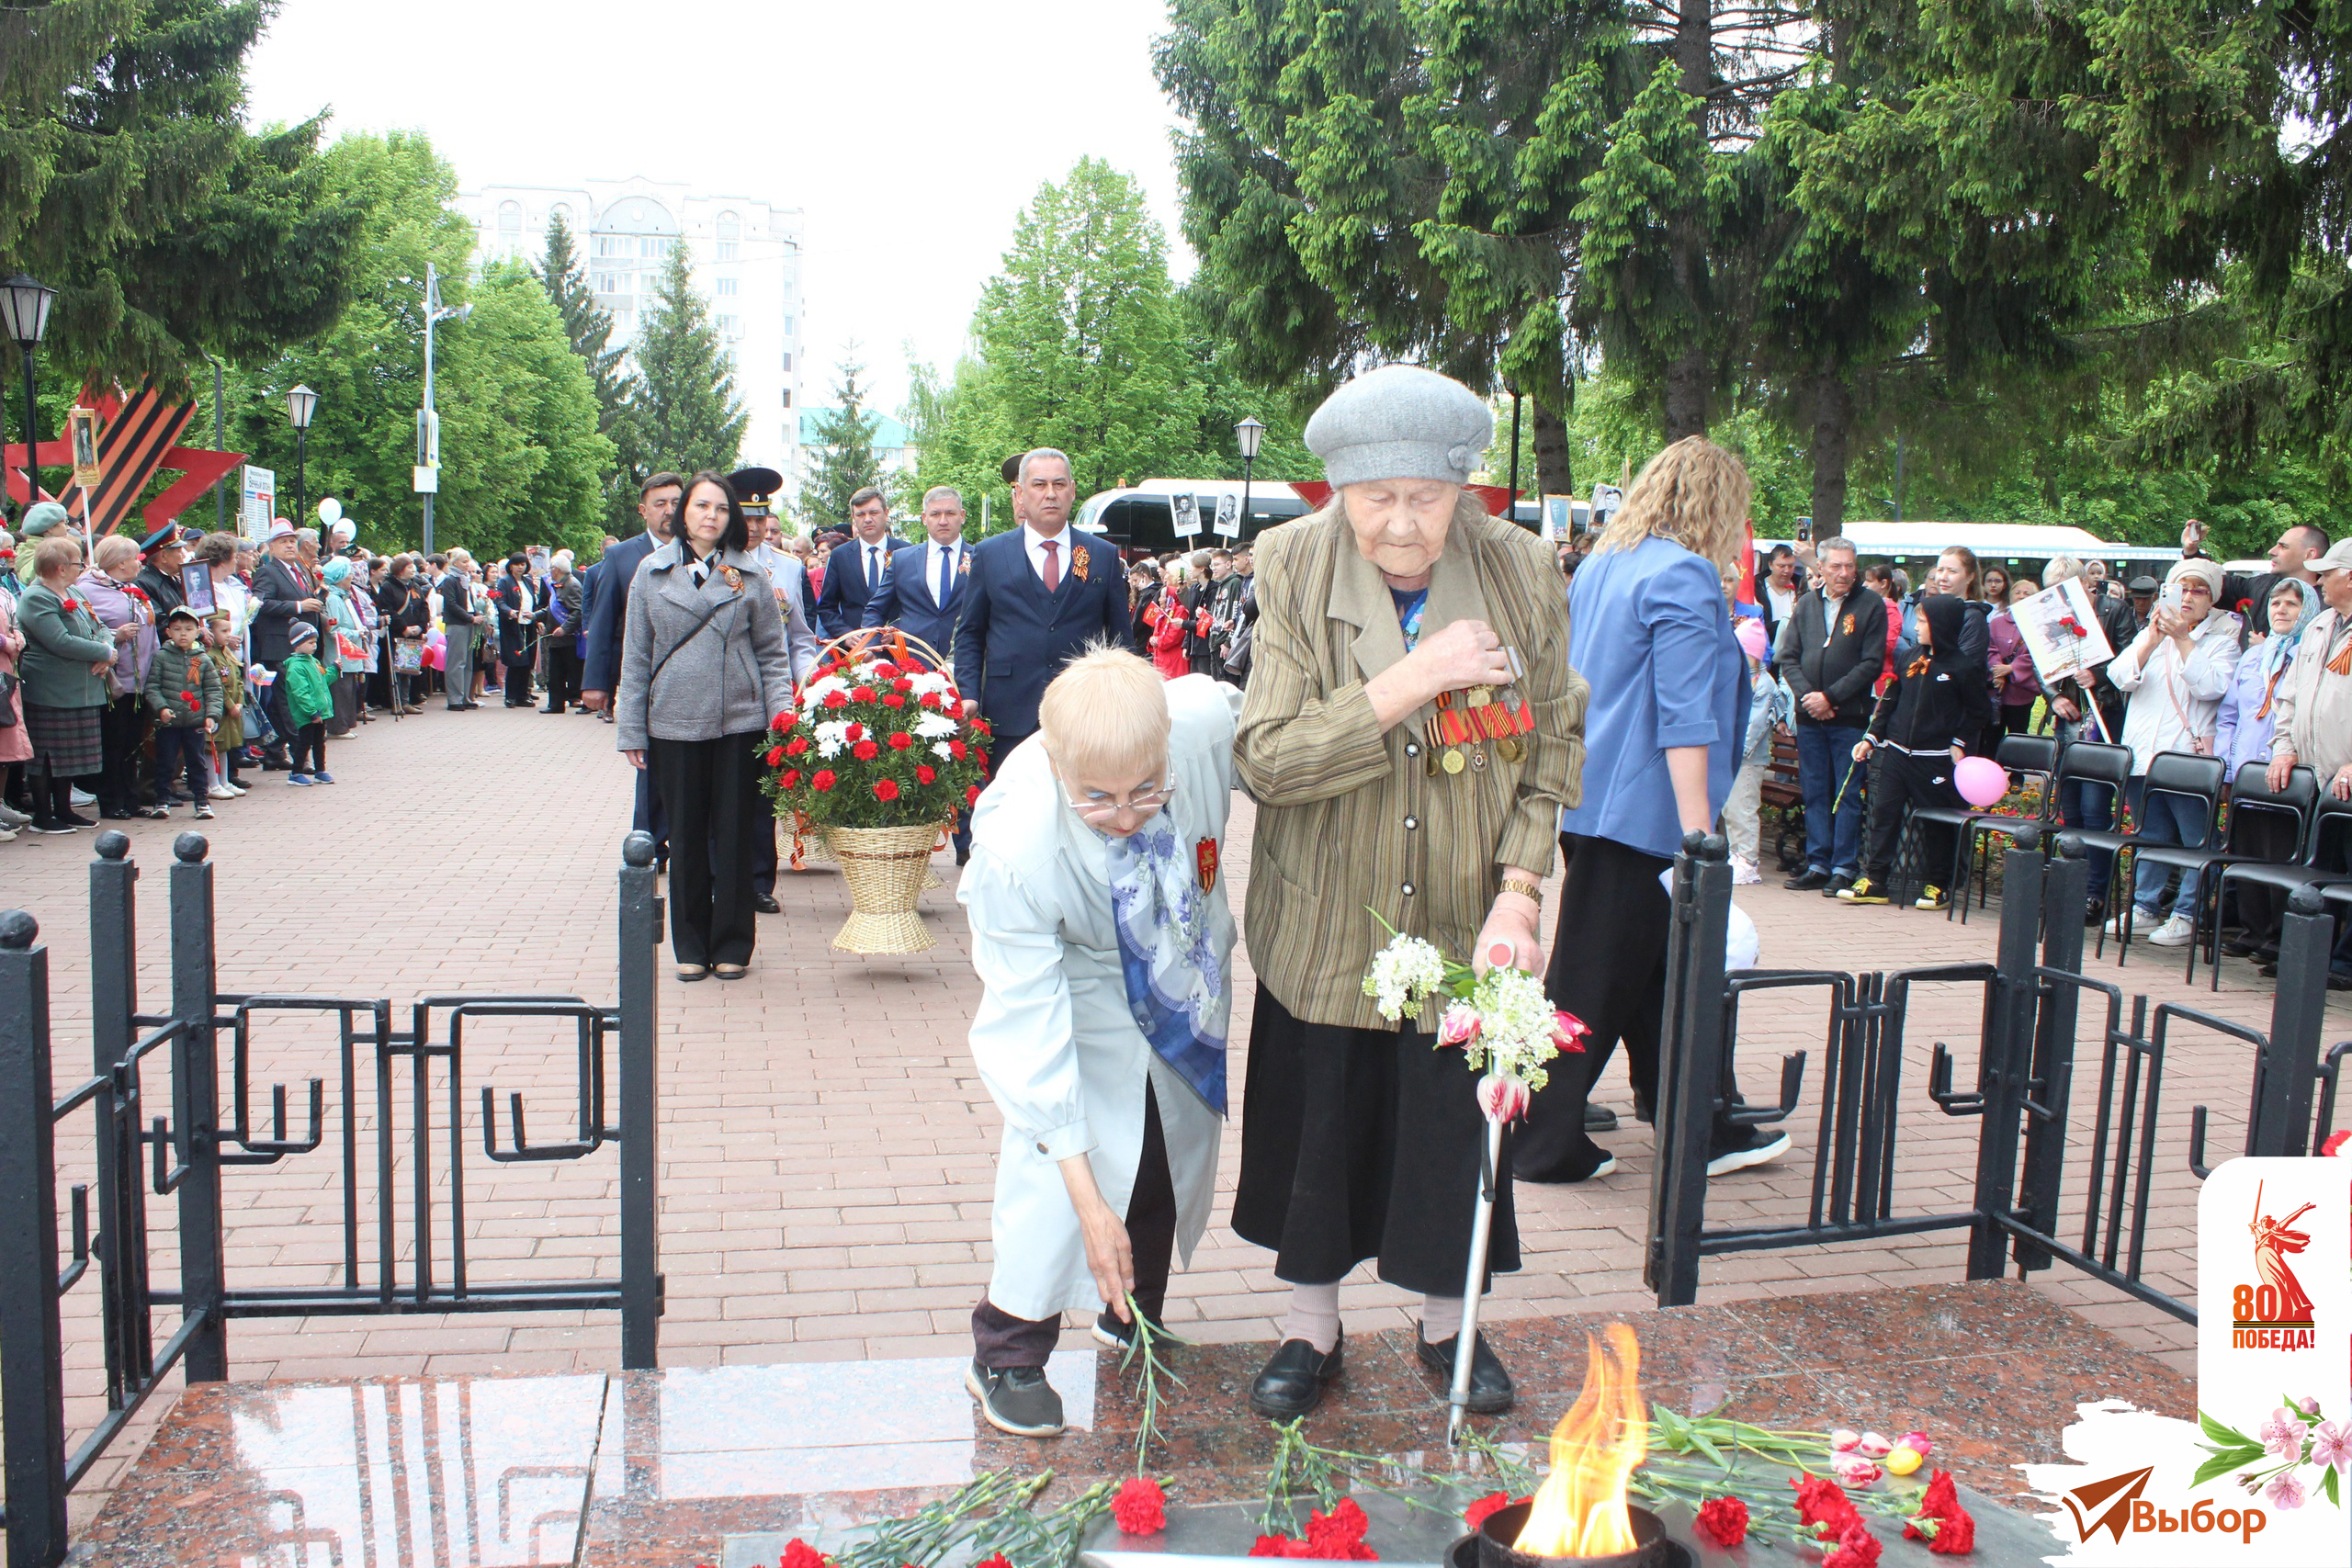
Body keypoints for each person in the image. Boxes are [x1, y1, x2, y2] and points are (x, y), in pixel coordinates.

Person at [1230, 366, 1587, 1419]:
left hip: (1467, 905)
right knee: (1322, 1125)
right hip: (1328, 908)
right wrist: (1414, 678)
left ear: (1463, 488)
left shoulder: (1521, 565)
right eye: (1374, 498)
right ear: (1335, 492)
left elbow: (1551, 746)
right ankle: (1309, 1329)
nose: (1398, 523)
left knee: (1450, 1127)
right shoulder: (1291, 564)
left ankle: (1447, 1328)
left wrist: (1520, 893)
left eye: (1424, 498)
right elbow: (1269, 760)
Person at [956, 650, 1238, 1437]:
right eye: (1098, 798)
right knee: (1058, 1157)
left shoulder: (1200, 719)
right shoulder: (1017, 845)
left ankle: (1131, 1313)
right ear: (1057, 764)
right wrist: (1086, 1201)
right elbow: (1027, 1031)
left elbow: (1281, 737)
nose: (1125, 815)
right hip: (1076, 977)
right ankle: (1007, 1347)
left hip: (1179, 957)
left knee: (1164, 1135)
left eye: (1146, 789)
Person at [1518, 435, 1780, 1185]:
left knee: (1660, 975)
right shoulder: (1685, 574)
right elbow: (1684, 712)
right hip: (1647, 814)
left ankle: (1699, 1121)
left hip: (1592, 797)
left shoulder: (1605, 563)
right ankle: (1540, 1139)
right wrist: (1699, 833)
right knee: (1592, 979)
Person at [614, 472, 797, 981]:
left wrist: (781, 719)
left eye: (720, 508)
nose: (711, 516)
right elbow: (636, 656)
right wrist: (631, 730)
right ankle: (691, 946)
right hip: (673, 722)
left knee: (735, 835)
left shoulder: (751, 575)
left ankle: (733, 942)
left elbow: (773, 655)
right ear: (683, 514)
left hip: (739, 721)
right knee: (687, 838)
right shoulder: (651, 573)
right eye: (701, 506)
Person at [952, 450, 1130, 755]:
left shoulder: (1103, 555)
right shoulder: (990, 554)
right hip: (1007, 715)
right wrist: (968, 693)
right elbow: (970, 632)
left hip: (1084, 716)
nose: (1050, 494)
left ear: (1072, 490)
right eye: (1039, 485)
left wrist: (1124, 702)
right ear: (1020, 494)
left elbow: (1120, 639)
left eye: (1059, 484)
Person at [2103, 558, 2243, 946]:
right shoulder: (2151, 635)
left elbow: (2211, 688)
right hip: (2143, 753)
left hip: (2187, 758)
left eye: (2199, 590)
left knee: (2196, 838)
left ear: (2211, 599)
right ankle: (2145, 906)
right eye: (2182, 589)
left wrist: (2183, 640)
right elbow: (2119, 677)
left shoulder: (2223, 642)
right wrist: (2151, 640)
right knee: (2151, 834)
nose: (2189, 597)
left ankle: (2187, 914)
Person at [1838, 595, 1996, 910]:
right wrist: (1872, 737)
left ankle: (1939, 883)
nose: (1917, 627)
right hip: (1897, 753)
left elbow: (1980, 711)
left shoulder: (1963, 667)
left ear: (1942, 626)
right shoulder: (1909, 656)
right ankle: (1875, 880)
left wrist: (1959, 741)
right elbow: (1890, 700)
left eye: (1923, 621)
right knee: (1883, 815)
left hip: (1934, 759)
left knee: (1937, 822)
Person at [1776, 537, 1886, 895]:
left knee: (1847, 793)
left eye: (1850, 566)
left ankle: (1843, 866)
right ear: (1820, 567)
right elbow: (1788, 657)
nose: (1844, 573)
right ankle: (1818, 862)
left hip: (1848, 716)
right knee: (1815, 791)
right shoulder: (1807, 604)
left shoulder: (1870, 605)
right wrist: (1809, 697)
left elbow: (1871, 663)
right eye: (1836, 566)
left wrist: (1831, 697)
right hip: (1810, 717)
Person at [2264, 538, 2352, 985]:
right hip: (2320, 774)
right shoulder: (2319, 626)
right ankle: (2314, 955)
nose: (2319, 581)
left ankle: (2344, 963)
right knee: (2323, 867)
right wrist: (2285, 746)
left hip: (2348, 775)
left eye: (2328, 573)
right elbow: (2291, 694)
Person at [2216, 578, 2318, 962]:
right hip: (2248, 769)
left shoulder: (2311, 656)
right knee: (2247, 852)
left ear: (2308, 611)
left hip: (2288, 770)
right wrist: (2228, 768)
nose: (2281, 610)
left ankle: (2279, 937)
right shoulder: (2255, 656)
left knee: (2280, 853)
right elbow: (2229, 715)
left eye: (2292, 604)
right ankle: (2253, 930)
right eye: (2276, 603)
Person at [17, 535, 114, 833]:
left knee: (71, 756)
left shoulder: (73, 590)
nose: (81, 568)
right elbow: (60, 641)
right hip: (50, 690)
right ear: (60, 568)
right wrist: (104, 653)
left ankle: (64, 810)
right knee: (47, 756)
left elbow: (101, 626)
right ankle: (43, 816)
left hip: (81, 688)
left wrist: (109, 650)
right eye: (77, 564)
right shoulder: (37, 597)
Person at [77, 533, 163, 819]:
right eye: (134, 558)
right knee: (113, 743)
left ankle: (131, 799)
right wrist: (116, 635)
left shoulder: (130, 588)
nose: (140, 563)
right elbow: (86, 631)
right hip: (113, 682)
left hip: (139, 679)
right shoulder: (89, 590)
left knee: (132, 743)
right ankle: (111, 801)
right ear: (120, 562)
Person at [863, 485, 969, 660]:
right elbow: (876, 609)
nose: (943, 521)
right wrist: (871, 647)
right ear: (924, 518)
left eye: (950, 513)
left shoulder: (980, 558)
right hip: (912, 663)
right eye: (935, 514)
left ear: (962, 516)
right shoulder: (902, 560)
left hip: (964, 662)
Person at [144, 606, 223, 820]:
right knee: (165, 762)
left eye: (188, 629)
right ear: (168, 632)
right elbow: (152, 687)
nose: (183, 634)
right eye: (177, 629)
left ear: (197, 632)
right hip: (169, 722)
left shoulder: (203, 659)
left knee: (196, 762)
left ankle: (202, 801)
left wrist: (211, 715)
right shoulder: (162, 657)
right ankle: (162, 800)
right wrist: (161, 708)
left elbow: (214, 690)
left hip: (195, 721)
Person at [816, 487, 896, 638]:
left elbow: (916, 606)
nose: (867, 519)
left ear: (886, 513)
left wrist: (897, 631)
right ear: (853, 517)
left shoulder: (905, 552)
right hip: (854, 647)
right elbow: (827, 607)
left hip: (897, 646)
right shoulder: (840, 556)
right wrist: (845, 634)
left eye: (874, 513)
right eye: (860, 514)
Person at [279, 621, 334, 784]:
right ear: (297, 644)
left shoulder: (314, 661)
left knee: (319, 742)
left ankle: (320, 770)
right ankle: (296, 773)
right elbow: (300, 693)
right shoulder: (296, 667)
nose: (314, 646)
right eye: (310, 643)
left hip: (319, 711)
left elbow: (323, 680)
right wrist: (312, 712)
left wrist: (335, 670)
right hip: (308, 714)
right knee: (304, 743)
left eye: (315, 642)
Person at [1986, 578, 2042, 737]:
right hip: (1997, 690)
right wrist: (1997, 671)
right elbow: (1990, 648)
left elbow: (2036, 654)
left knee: (2018, 736)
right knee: (1992, 736)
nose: (2021, 596)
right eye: (2017, 592)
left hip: (2021, 693)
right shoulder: (1996, 622)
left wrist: (2012, 668)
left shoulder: (2040, 625)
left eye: (2026, 593)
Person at [202, 611, 249, 797]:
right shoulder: (210, 655)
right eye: (223, 631)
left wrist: (240, 702)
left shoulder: (227, 654)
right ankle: (212, 784)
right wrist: (230, 705)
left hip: (231, 710)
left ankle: (224, 781)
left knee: (225, 746)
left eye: (229, 630)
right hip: (219, 710)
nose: (228, 635)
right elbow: (217, 685)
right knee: (213, 746)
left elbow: (238, 679)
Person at [322, 558, 369, 734]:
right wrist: (357, 634)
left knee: (348, 691)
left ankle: (345, 725)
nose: (351, 577)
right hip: (339, 654)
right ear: (340, 577)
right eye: (349, 574)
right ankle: (338, 728)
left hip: (349, 654)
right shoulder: (334, 599)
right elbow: (333, 630)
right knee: (340, 692)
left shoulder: (343, 598)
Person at [379, 555, 429, 713]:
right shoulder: (388, 587)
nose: (413, 569)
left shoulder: (415, 586)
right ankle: (396, 702)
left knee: (408, 670)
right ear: (400, 570)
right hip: (398, 634)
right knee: (396, 670)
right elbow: (388, 610)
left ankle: (405, 702)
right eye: (409, 567)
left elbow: (423, 607)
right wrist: (403, 628)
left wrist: (420, 626)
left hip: (414, 634)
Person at [538, 551, 584, 712]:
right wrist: (535, 616)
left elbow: (578, 611)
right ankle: (556, 704)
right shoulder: (558, 584)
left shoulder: (572, 585)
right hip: (556, 637)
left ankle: (572, 699)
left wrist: (565, 628)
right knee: (555, 673)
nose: (549, 571)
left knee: (571, 671)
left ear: (556, 569)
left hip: (569, 638)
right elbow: (551, 608)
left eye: (551, 568)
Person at [435, 549, 480, 710]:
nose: (467, 564)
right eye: (464, 562)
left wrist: (477, 614)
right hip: (457, 624)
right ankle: (455, 699)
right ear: (454, 563)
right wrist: (470, 617)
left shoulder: (466, 580)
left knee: (468, 662)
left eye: (468, 561)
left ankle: (465, 696)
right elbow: (451, 604)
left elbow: (469, 603)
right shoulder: (450, 580)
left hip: (469, 622)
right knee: (456, 662)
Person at [494, 553, 539, 707]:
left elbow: (533, 603)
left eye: (523, 564)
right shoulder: (504, 582)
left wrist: (537, 620)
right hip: (513, 624)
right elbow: (500, 601)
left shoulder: (528, 581)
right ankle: (511, 696)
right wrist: (509, 611)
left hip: (528, 624)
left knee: (528, 659)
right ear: (511, 566)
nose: (521, 567)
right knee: (516, 659)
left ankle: (523, 695)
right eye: (517, 564)